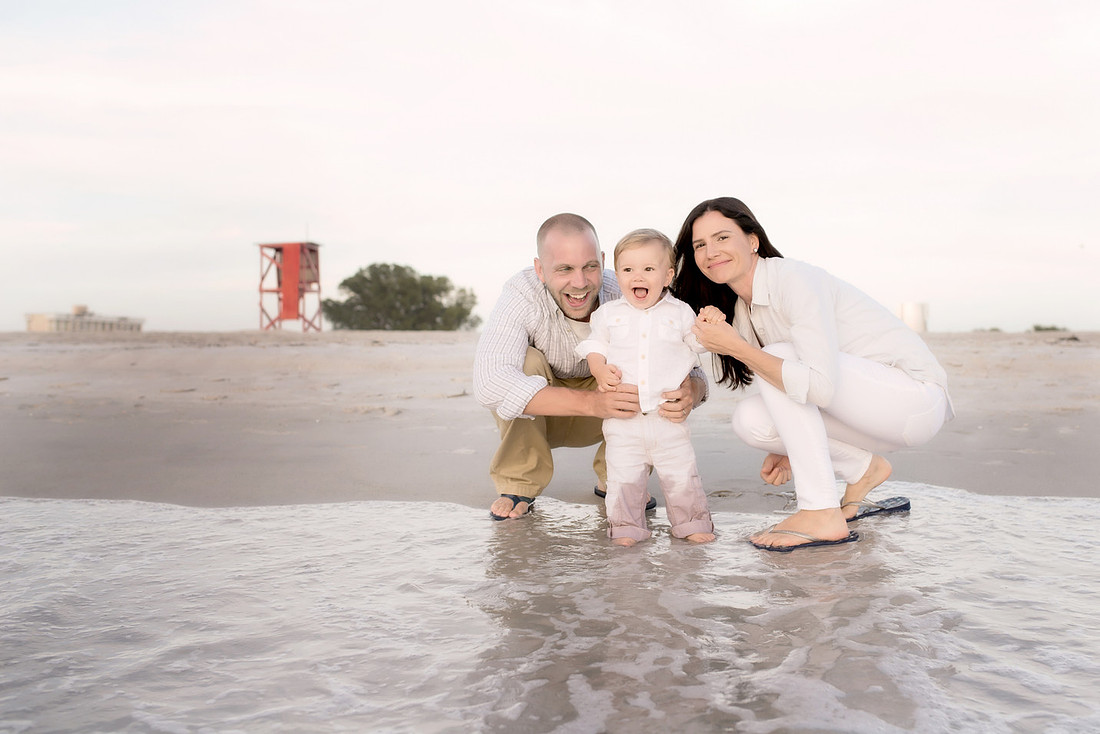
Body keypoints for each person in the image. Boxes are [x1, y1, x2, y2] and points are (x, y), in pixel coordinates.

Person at [672, 197, 954, 552]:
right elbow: (794, 386)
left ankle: (821, 512)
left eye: (722, 237)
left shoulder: (794, 279)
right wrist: (792, 440)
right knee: (751, 420)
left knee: (777, 355)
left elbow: (819, 387)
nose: (710, 251)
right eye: (700, 245)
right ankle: (863, 469)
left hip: (914, 401)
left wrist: (738, 348)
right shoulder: (743, 309)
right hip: (866, 412)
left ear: (753, 240)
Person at [474, 213, 709, 521]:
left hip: (616, 409)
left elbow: (686, 358)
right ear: (540, 269)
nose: (580, 282)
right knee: (524, 361)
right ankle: (519, 483)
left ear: (603, 261)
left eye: (590, 267)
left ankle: (618, 478)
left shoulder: (631, 285)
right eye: (564, 269)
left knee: (647, 365)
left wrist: (693, 390)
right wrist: (592, 403)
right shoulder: (522, 293)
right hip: (548, 412)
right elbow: (489, 383)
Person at [575, 229, 715, 546]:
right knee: (623, 477)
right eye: (628, 269)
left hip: (668, 417)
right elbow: (595, 345)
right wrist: (599, 369)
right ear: (617, 275)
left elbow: (697, 344)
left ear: (667, 276)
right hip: (624, 420)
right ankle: (626, 526)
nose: (637, 276)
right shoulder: (608, 314)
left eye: (648, 269)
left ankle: (692, 522)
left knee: (681, 475)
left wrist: (708, 325)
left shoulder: (679, 312)